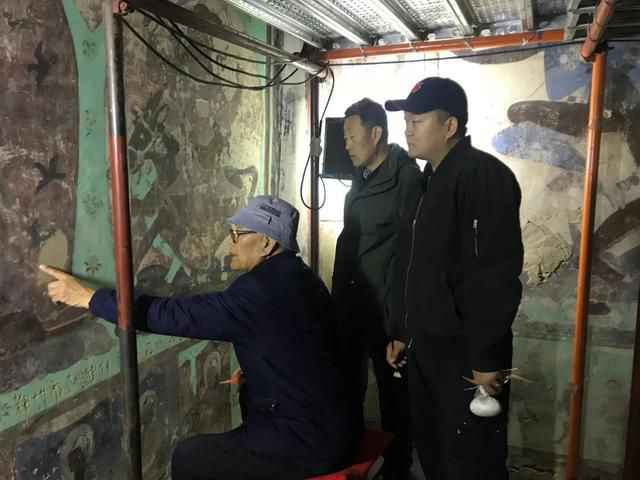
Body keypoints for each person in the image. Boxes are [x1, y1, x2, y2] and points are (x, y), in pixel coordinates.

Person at [41, 195, 358, 480]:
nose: (229, 245)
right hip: (337, 425)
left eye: (237, 235)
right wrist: (259, 370)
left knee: (190, 457)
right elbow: (302, 344)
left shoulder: (257, 291)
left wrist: (88, 297)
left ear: (266, 243)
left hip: (309, 441)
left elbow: (172, 315)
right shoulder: (303, 278)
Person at [384, 77, 524, 479]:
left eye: (417, 121)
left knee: (471, 461)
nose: (407, 130)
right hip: (426, 348)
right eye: (406, 121)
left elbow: (493, 274)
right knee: (434, 453)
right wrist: (401, 330)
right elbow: (412, 265)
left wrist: (486, 357)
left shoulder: (482, 177)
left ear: (449, 126)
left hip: (464, 356)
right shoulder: (427, 181)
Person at [332, 98, 422, 479]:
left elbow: (411, 256)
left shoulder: (406, 179)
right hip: (353, 306)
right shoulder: (361, 177)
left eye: (352, 137)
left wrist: (401, 325)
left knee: (394, 401)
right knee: (347, 389)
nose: (347, 145)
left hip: (385, 314)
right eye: (344, 138)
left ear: (375, 134)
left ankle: (397, 471)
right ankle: (349, 459)